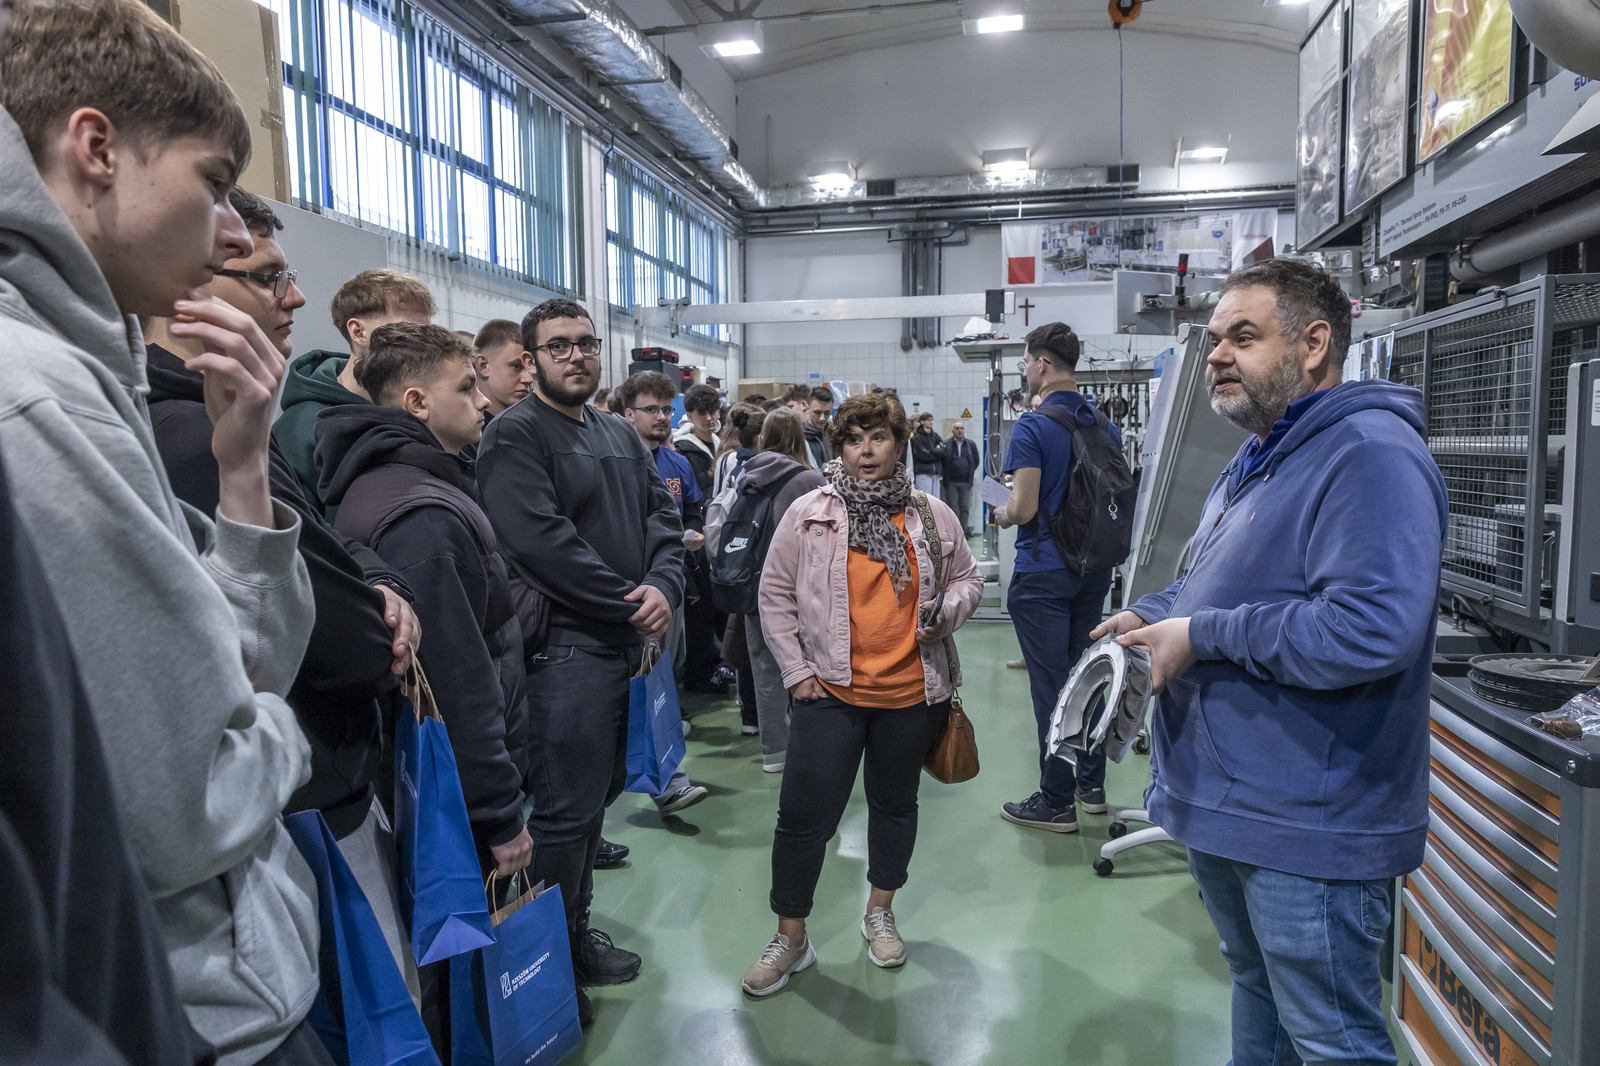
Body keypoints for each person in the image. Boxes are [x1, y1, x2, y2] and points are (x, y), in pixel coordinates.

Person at [0, 3, 322, 1063]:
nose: (230, 230)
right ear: (96, 148)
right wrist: (281, 732)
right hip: (200, 1016)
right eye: (213, 181)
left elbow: (241, 660)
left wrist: (243, 466)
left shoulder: (91, 374)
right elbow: (189, 805)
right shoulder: (39, 400)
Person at [1094, 258, 1446, 1066]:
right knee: (1258, 991)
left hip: (1309, 825)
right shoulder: (1256, 457)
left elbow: (1370, 629)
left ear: (1313, 344)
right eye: (1217, 338)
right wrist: (1151, 614)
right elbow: (1204, 580)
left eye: (1243, 337)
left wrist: (1201, 634)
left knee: (1331, 1040)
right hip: (1236, 807)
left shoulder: (1369, 455)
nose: (1217, 354)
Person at [143, 188, 424, 1002]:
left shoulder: (231, 423)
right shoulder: (190, 441)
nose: (296, 297)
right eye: (269, 277)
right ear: (189, 286)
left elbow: (327, 538)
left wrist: (376, 579)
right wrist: (375, 618)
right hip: (298, 801)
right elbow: (342, 645)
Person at [475, 298, 685, 1025]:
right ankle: (546, 963)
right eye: (558, 346)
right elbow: (541, 543)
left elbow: (662, 518)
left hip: (623, 647)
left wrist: (664, 585)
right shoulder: (513, 436)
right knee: (564, 815)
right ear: (531, 359)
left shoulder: (617, 433)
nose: (576, 356)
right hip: (564, 652)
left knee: (595, 804)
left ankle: (573, 933)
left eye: (586, 344)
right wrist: (630, 602)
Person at [742, 393, 982, 997]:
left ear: (898, 444)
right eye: (854, 439)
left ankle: (880, 911)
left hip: (913, 693)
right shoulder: (809, 514)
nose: (866, 451)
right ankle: (791, 937)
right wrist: (797, 672)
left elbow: (966, 578)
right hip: (830, 692)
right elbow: (775, 594)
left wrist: (948, 611)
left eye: (878, 438)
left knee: (894, 806)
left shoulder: (930, 514)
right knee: (803, 819)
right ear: (839, 447)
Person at [316, 323, 533, 883]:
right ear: (417, 403)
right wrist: (499, 813)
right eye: (465, 388)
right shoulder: (424, 519)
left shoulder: (399, 480)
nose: (482, 401)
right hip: (458, 799)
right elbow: (458, 681)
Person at [994, 321, 1118, 833]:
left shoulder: (1032, 426)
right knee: (1085, 676)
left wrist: (1000, 510)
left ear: (1042, 365)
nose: (1025, 370)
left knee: (1051, 688)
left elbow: (1022, 508)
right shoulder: (1102, 423)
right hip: (1093, 569)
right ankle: (1091, 786)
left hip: (1043, 571)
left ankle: (1055, 801)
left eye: (1026, 362)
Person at [617, 369, 711, 815]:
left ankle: (663, 771)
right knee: (640, 678)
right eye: (651, 409)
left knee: (665, 671)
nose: (660, 417)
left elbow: (691, 509)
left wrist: (692, 531)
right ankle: (666, 781)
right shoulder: (615, 461)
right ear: (627, 413)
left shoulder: (676, 464)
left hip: (671, 581)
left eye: (666, 410)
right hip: (630, 587)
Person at [275, 268, 436, 508]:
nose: (422, 344)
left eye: (426, 331)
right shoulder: (300, 428)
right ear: (358, 332)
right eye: (406, 330)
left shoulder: (419, 409)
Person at [735, 408, 825, 773]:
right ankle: (812, 744)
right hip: (800, 588)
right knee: (807, 664)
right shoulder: (809, 480)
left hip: (753, 582)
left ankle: (774, 752)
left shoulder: (746, 473)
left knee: (765, 671)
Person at [671, 382, 729, 692]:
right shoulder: (682, 449)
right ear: (689, 414)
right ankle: (697, 673)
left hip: (715, 535)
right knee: (699, 612)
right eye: (702, 413)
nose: (709, 418)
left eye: (713, 412)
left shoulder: (718, 444)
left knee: (715, 607)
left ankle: (713, 665)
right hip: (694, 540)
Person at [471, 318, 534, 418]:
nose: (529, 379)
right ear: (483, 366)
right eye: (516, 366)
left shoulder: (529, 423)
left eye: (530, 366)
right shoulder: (463, 427)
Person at [940, 420, 979, 538]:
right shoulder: (946, 444)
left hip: (965, 482)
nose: (960, 430)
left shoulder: (971, 444)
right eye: (957, 428)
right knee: (953, 509)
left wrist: (969, 472)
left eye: (961, 428)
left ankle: (963, 532)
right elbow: (942, 461)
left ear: (964, 430)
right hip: (951, 482)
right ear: (953, 431)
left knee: (965, 508)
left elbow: (976, 461)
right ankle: (955, 533)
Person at [910, 412, 943, 496]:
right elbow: (922, 456)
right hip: (923, 472)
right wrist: (936, 451)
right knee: (924, 498)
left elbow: (944, 452)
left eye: (932, 420)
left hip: (936, 471)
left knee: (936, 499)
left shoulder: (935, 436)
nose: (931, 422)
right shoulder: (917, 437)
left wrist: (931, 451)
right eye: (928, 420)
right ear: (922, 421)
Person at [803, 385, 834, 468]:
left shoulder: (835, 436)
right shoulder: (800, 439)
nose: (822, 418)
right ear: (807, 408)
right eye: (817, 412)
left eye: (827, 413)